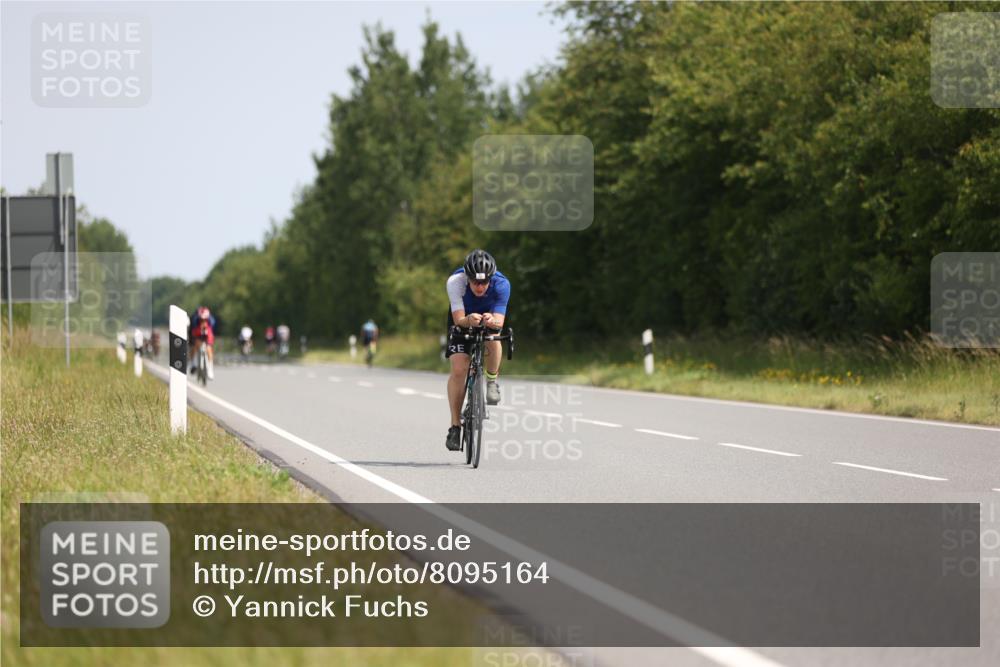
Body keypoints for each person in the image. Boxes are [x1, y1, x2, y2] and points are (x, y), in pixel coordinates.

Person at [444, 249, 510, 452]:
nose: (480, 287)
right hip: (463, 319)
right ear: (467, 278)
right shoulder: (455, 282)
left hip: (489, 318)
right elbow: (459, 320)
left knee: (492, 337)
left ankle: (491, 382)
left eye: (484, 283)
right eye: (475, 282)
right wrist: (468, 320)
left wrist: (492, 320)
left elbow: (499, 322)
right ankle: (455, 426)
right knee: (459, 369)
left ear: (491, 278)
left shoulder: (502, 284)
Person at [189, 306, 217, 380]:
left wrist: (209, 342)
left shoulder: (211, 321)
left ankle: (210, 368)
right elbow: (193, 332)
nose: (203, 321)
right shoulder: (195, 320)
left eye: (205, 319)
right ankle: (193, 363)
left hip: (208, 334)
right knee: (195, 346)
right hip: (197, 334)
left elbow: (212, 333)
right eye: (201, 319)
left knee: (209, 348)